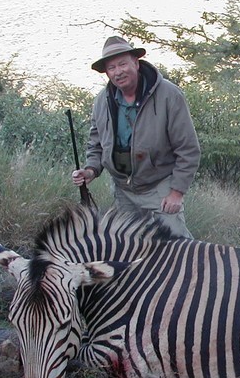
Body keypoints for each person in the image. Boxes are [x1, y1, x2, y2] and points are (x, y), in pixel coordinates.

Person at [72, 36, 200, 238]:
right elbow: (96, 143)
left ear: (136, 63)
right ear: (106, 72)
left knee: (178, 245)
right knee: (127, 247)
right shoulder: (101, 102)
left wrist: (176, 193)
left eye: (123, 64)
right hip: (123, 188)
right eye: (111, 67)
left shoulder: (169, 95)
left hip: (159, 185)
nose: (118, 71)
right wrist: (90, 170)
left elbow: (188, 149)